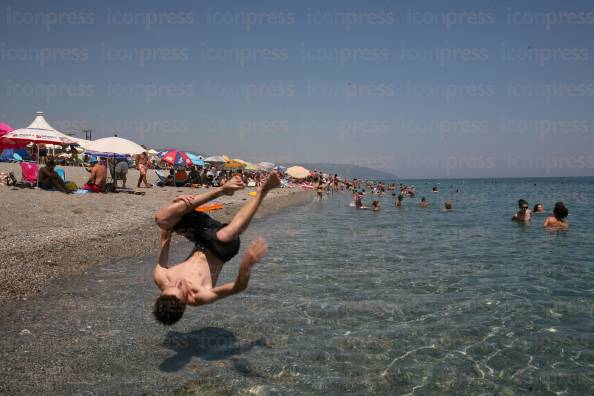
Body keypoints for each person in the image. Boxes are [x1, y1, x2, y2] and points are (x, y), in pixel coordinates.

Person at [151, 172, 281, 325]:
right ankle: (263, 191)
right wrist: (246, 264)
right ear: (185, 302)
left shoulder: (161, 277)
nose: (178, 282)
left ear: (160, 295)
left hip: (200, 239)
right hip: (222, 250)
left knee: (161, 218)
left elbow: (165, 237)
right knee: (226, 234)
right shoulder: (201, 295)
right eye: (181, 288)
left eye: (172, 286)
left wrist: (179, 207)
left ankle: (223, 190)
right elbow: (237, 288)